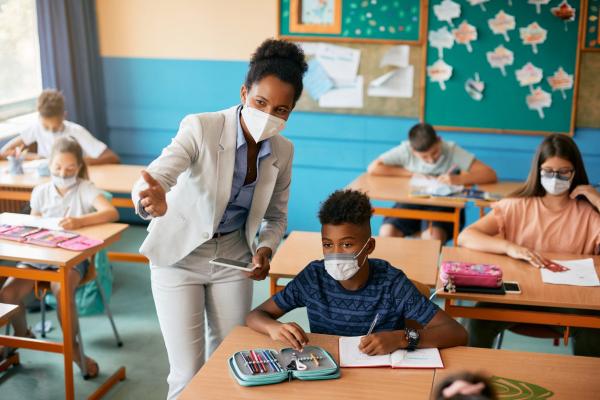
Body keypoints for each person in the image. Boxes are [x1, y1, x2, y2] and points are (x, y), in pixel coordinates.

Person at [131, 39, 307, 399]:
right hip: (179, 255)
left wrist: (266, 250)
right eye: (260, 102)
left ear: (290, 112)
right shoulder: (202, 127)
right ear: (244, 93)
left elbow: (276, 215)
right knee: (187, 371)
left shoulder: (284, 151)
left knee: (233, 360)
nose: (269, 114)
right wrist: (150, 201)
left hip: (234, 257)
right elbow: (157, 176)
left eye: (281, 109)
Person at [246, 189, 467, 354]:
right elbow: (255, 316)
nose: (335, 253)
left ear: (369, 247)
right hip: (327, 371)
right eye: (327, 244)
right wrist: (273, 328)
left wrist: (401, 338)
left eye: (347, 244)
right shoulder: (314, 278)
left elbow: (456, 332)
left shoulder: (391, 283)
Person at [457, 134, 600, 356]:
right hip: (520, 295)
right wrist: (510, 247)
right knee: (477, 319)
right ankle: (468, 384)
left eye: (564, 171)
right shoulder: (516, 206)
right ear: (538, 171)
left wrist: (597, 200)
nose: (556, 177)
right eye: (548, 171)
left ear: (575, 172)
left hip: (570, 302)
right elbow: (466, 236)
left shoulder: (589, 214)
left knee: (594, 328)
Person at [0, 136, 119, 378]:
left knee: (61, 289)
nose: (63, 173)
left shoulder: (85, 188)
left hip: (74, 260)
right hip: (41, 257)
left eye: (69, 168)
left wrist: (79, 221)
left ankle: (73, 348)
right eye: (57, 168)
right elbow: (33, 224)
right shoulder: (41, 190)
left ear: (79, 167)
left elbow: (112, 212)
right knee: (7, 294)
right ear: (49, 165)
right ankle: (22, 335)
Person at [368, 122, 497, 243]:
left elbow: (490, 174)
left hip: (442, 203)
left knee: (432, 237)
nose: (431, 160)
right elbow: (373, 168)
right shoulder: (405, 150)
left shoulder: (451, 150)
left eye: (435, 153)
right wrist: (411, 174)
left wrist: (457, 179)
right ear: (412, 150)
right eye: (424, 157)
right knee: (387, 232)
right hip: (411, 201)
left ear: (439, 141)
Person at [0, 89, 120, 165]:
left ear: (64, 116)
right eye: (46, 128)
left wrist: (76, 162)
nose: (51, 132)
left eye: (56, 128)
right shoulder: (36, 128)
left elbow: (112, 157)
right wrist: (36, 158)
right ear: (39, 117)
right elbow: (3, 153)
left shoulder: (76, 131)